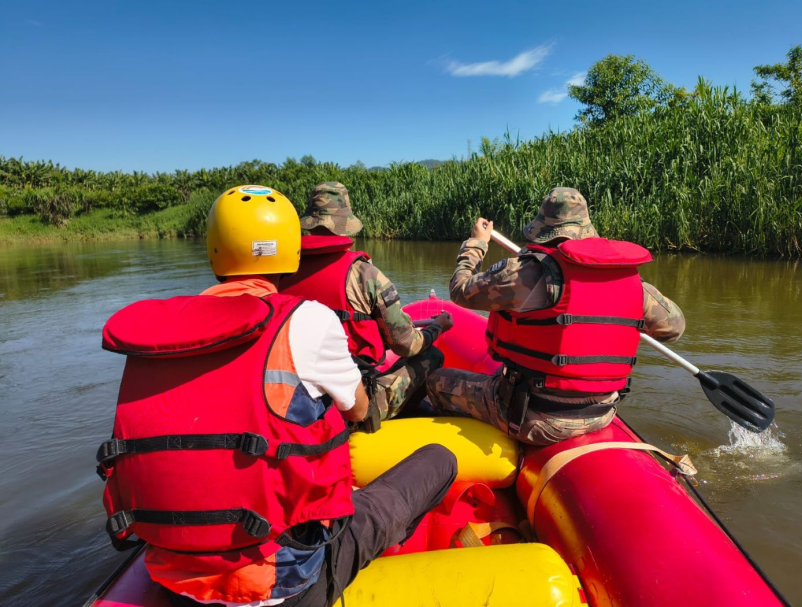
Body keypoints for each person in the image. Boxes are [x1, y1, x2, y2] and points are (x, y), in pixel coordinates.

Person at [96, 185, 457, 607]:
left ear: (215, 248)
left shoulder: (153, 339)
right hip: (283, 585)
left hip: (171, 581)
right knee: (439, 459)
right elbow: (359, 408)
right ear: (289, 247)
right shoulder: (308, 320)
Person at [426, 187, 685, 446]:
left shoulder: (526, 274)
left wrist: (477, 243)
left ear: (544, 228)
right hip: (603, 414)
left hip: (537, 417)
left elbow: (460, 291)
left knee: (436, 382)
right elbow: (674, 328)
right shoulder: (632, 282)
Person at [280, 181, 452, 432]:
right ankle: (404, 413)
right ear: (345, 223)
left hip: (297, 399)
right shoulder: (364, 274)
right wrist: (436, 328)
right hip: (354, 405)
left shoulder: (283, 272)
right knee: (431, 357)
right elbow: (406, 345)